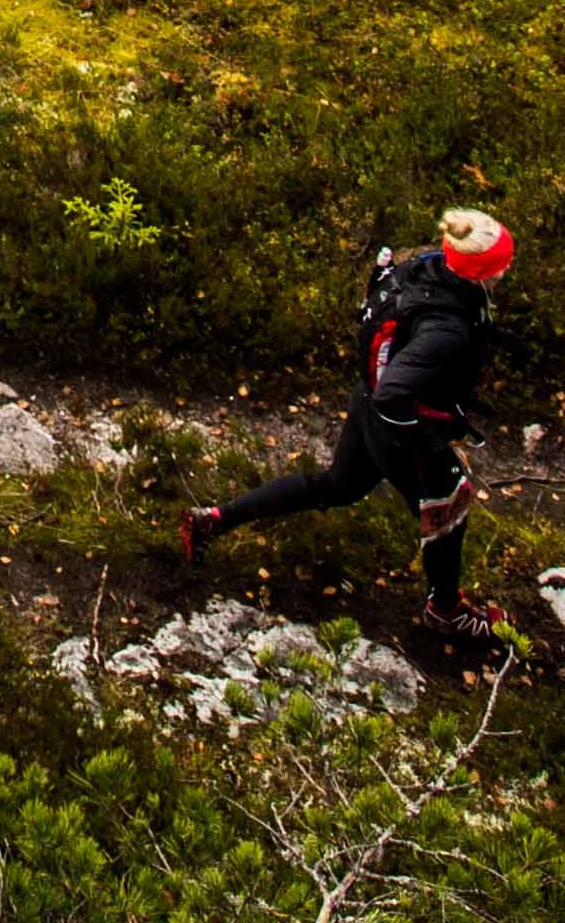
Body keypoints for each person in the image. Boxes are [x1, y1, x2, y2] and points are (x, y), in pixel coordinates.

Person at [182, 207, 514, 620]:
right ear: (481, 272)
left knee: (337, 486)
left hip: (367, 402)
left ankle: (213, 520)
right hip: (397, 421)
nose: (509, 268)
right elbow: (395, 393)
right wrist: (427, 445)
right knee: (449, 504)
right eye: (503, 263)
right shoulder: (446, 329)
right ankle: (446, 612)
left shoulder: (424, 268)